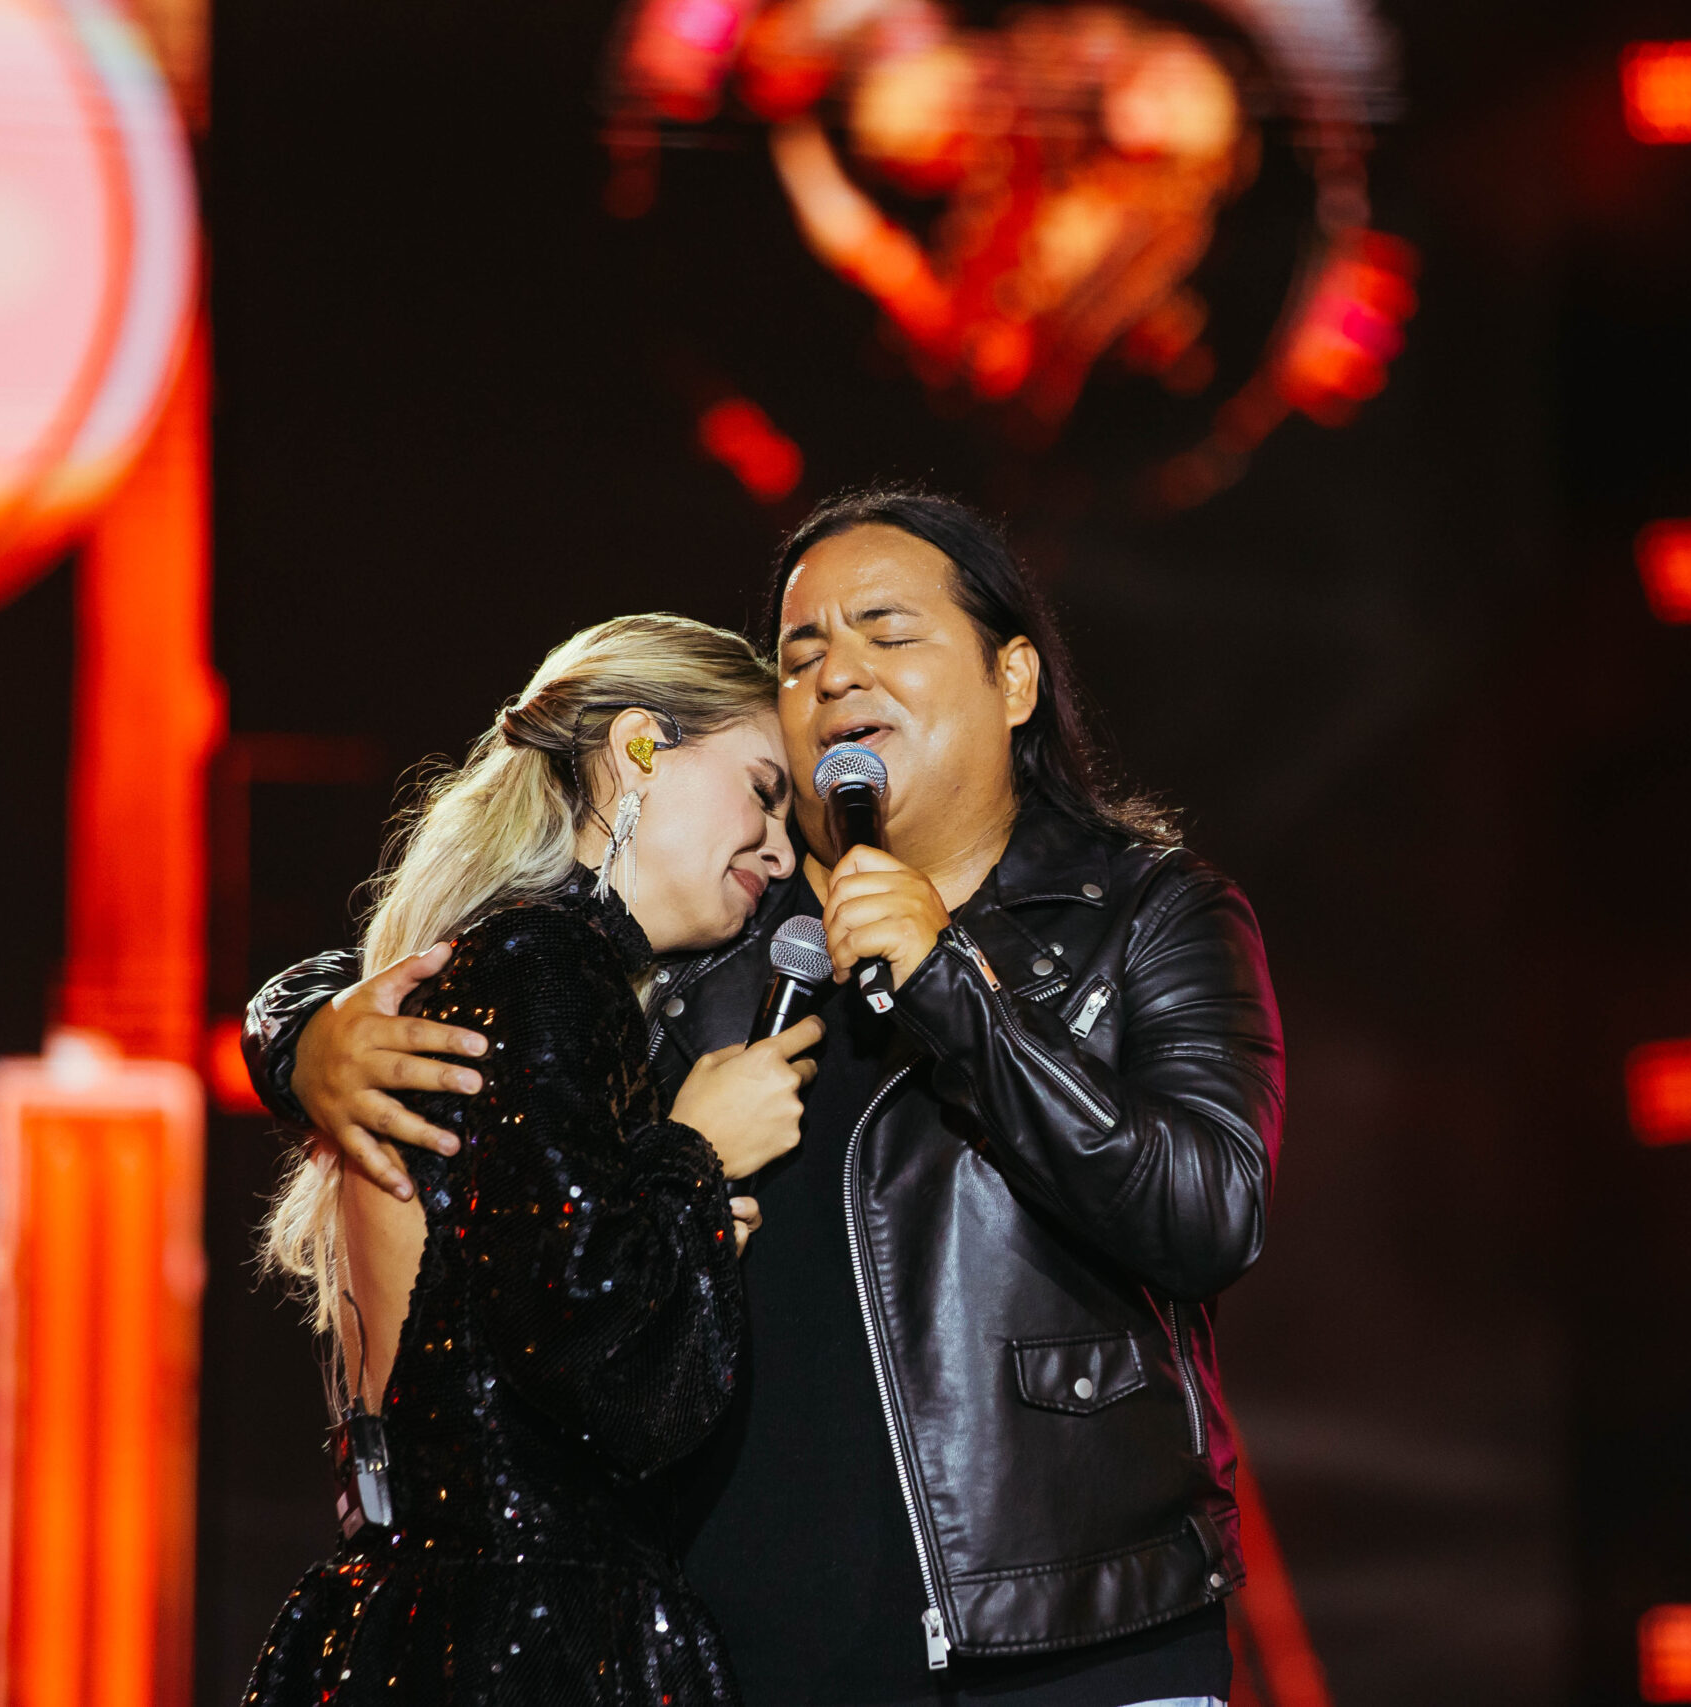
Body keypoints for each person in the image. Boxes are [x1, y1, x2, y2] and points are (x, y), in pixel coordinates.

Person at [245, 487, 1285, 1707]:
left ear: (1012, 680)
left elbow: (1208, 1214)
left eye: (886, 632)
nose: (836, 673)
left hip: (1065, 1648)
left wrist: (953, 987)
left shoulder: (1145, 917)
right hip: (741, 1663)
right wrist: (300, 1031)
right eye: (800, 655)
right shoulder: (716, 940)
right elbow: (502, 968)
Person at [244, 614, 823, 1707]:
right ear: (639, 747)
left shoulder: (492, 963)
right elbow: (611, 1371)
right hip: (533, 1639)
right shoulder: (549, 967)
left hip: (427, 1624)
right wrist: (696, 1160)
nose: (782, 852)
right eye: (762, 791)